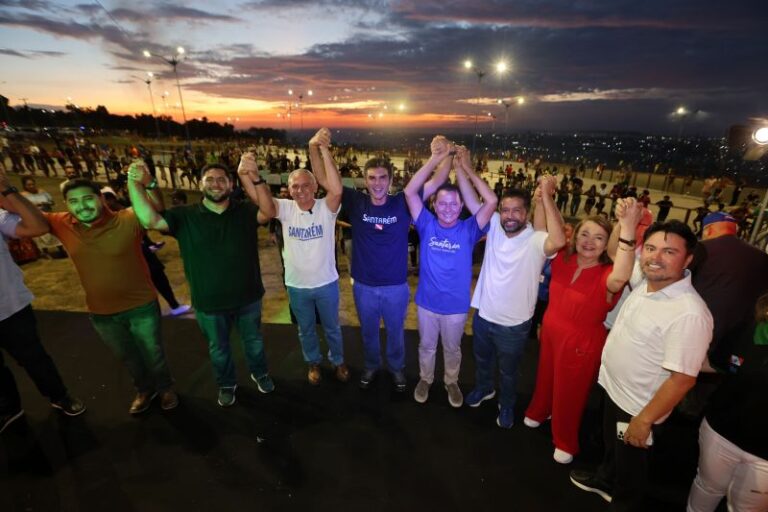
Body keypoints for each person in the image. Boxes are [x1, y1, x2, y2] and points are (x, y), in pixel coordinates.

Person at [569, 221, 713, 512]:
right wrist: (626, 224)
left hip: (637, 406)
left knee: (631, 470)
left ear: (687, 260)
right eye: (650, 248)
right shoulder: (648, 282)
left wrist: (644, 420)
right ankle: (605, 480)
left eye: (669, 251)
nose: (655, 257)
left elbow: (682, 379)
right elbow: (617, 250)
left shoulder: (689, 313)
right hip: (614, 390)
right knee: (613, 449)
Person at [127, 156, 277, 407]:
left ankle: (260, 373)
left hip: (248, 297)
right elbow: (149, 220)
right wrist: (136, 184)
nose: (216, 184)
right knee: (219, 349)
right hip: (208, 301)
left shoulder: (244, 211)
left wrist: (256, 177)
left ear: (231, 185)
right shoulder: (184, 216)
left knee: (254, 342)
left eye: (222, 180)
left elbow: (269, 211)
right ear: (200, 184)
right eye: (210, 180)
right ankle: (226, 384)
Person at [312, 138, 449, 392]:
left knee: (396, 332)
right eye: (372, 178)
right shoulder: (355, 201)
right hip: (364, 285)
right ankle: (372, 365)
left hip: (395, 286)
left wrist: (445, 154)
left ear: (391, 180)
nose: (377, 183)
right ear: (365, 180)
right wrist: (319, 148)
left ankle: (396, 368)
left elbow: (438, 180)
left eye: (382, 178)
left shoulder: (402, 202)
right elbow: (322, 179)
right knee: (368, 332)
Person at [524, 199, 643, 464]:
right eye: (584, 234)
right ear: (575, 236)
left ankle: (565, 439)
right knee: (546, 377)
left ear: (606, 244)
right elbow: (541, 232)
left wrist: (627, 228)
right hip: (552, 332)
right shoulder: (563, 260)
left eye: (599, 237)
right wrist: (544, 200)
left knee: (571, 392)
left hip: (582, 342)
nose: (589, 241)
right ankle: (541, 409)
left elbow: (622, 276)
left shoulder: (608, 273)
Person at [467, 176, 566, 428]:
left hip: (514, 326)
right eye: (505, 210)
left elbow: (559, 240)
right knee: (482, 360)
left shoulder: (536, 239)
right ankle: (484, 388)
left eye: (517, 211)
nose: (510, 216)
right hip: (483, 316)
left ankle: (507, 403)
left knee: (509, 372)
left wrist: (547, 196)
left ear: (526, 213)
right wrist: (464, 166)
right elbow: (471, 201)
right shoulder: (494, 227)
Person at [404, 140, 497, 407]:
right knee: (427, 346)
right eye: (442, 203)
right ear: (433, 204)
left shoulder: (470, 228)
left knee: (453, 348)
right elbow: (411, 192)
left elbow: (490, 200)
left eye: (453, 204)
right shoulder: (426, 224)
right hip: (427, 303)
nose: (447, 209)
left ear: (461, 207)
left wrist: (466, 168)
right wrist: (435, 159)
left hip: (456, 306)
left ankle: (451, 381)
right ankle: (425, 378)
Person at [257, 129, 348, 385]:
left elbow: (337, 188)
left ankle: (338, 361)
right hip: (297, 286)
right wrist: (251, 176)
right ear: (288, 189)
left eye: (306, 185)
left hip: (326, 283)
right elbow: (262, 203)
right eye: (295, 186)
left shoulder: (326, 208)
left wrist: (321, 149)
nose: (300, 190)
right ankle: (313, 363)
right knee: (305, 329)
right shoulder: (284, 208)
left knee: (332, 328)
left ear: (315, 186)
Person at [0, 172, 86, 433]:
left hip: (10, 307)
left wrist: (6, 190)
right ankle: (9, 410)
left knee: (35, 358)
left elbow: (38, 227)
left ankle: (59, 396)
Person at [686, 293, 768, 512]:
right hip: (720, 434)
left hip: (764, 459)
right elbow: (713, 363)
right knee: (707, 488)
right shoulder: (746, 331)